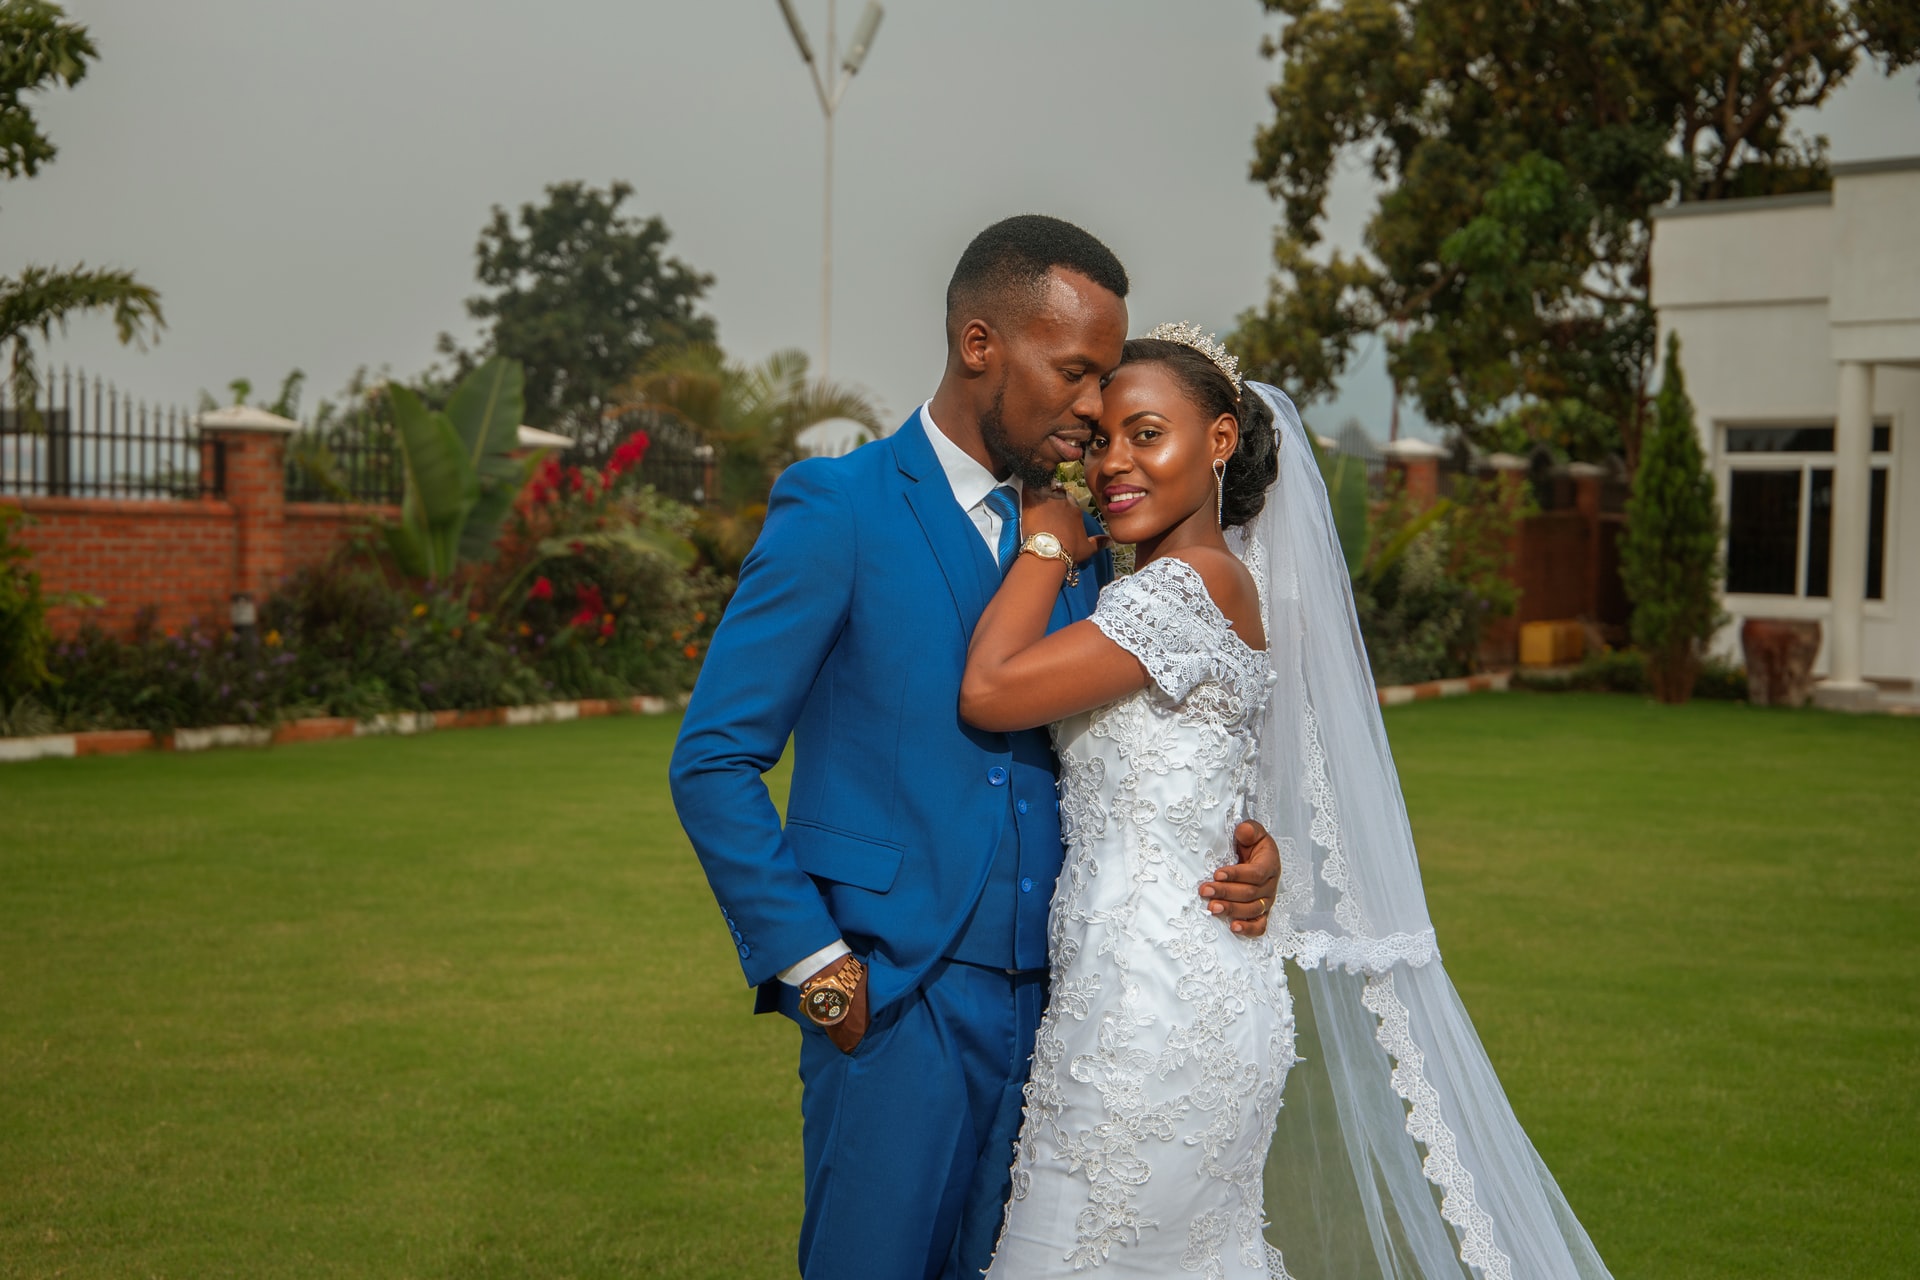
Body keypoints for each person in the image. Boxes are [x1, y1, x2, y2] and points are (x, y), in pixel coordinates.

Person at [668, 217, 1284, 1280]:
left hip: (1067, 1018)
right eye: (1077, 372)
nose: (1096, 410)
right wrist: (816, 965)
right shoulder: (841, 506)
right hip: (894, 998)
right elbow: (714, 757)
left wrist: (1248, 844)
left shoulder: (1098, 550)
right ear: (982, 344)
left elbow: (1158, 727)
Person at [962, 328, 1616, 1279]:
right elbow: (1231, 780)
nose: (1112, 465)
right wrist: (1263, 852)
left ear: (1221, 440)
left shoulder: (1183, 589)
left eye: (1147, 435)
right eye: (1101, 440)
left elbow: (987, 690)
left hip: (1151, 1016)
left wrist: (1047, 542)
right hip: (1158, 993)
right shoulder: (1196, 585)